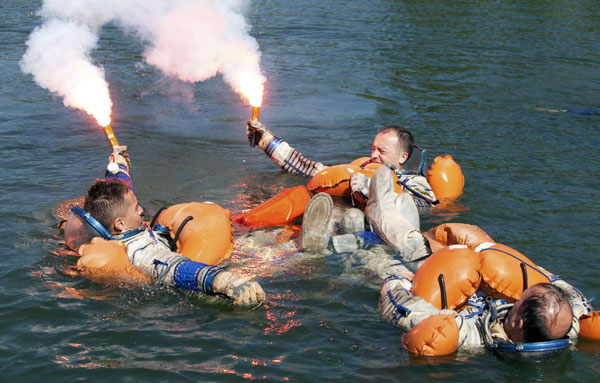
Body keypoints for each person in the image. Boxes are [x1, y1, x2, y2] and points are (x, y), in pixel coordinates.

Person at [67, 146, 265, 305]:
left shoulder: (112, 226)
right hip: (194, 290)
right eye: (136, 208)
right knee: (276, 247)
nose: (141, 210)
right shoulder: (140, 250)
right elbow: (175, 268)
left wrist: (120, 165)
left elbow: (117, 193)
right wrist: (226, 281)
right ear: (120, 224)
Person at [246, 121, 436, 211]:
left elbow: (424, 206)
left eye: (381, 151)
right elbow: (307, 169)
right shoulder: (359, 169)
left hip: (370, 233)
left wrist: (373, 191)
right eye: (373, 148)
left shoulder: (413, 182)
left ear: (403, 157)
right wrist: (267, 140)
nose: (373, 155)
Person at [379, 275, 590, 353]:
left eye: (520, 300)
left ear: (518, 323)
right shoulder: (564, 325)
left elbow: (405, 311)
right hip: (461, 277)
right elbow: (575, 299)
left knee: (382, 259)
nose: (516, 299)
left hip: (416, 282)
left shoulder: (468, 335)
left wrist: (395, 281)